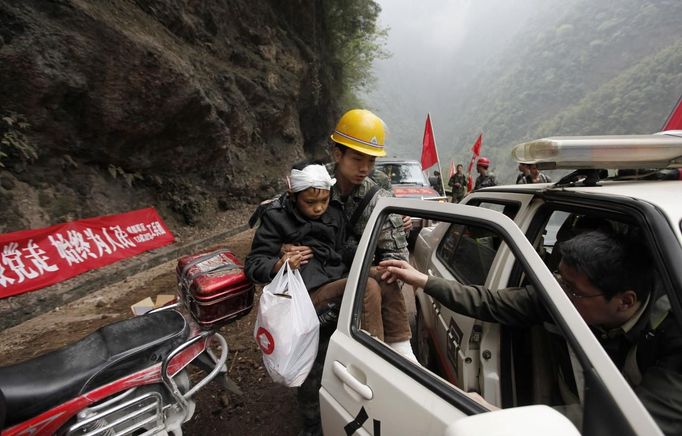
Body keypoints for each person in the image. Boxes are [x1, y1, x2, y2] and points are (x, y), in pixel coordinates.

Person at [378, 229, 682, 435]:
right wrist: (424, 281)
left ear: (625, 301)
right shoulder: (562, 295)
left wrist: (507, 418)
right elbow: (491, 302)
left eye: (572, 290)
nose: (558, 295)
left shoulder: (674, 339)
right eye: (559, 280)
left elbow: (633, 423)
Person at [282, 109, 416, 436]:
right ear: (337, 153)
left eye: (371, 160)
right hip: (316, 289)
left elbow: (396, 252)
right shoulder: (308, 182)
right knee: (313, 366)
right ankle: (315, 426)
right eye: (358, 158)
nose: (365, 168)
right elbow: (277, 224)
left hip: (358, 288)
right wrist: (283, 250)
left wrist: (386, 263)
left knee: (363, 366)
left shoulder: (376, 193)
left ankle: (389, 376)